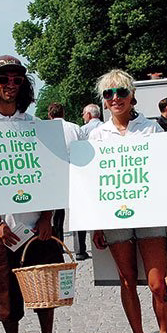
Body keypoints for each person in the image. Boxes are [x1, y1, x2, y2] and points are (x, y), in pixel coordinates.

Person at [0, 54, 66, 333]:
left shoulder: (36, 125)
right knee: (5, 296)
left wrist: (47, 217)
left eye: (16, 79)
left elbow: (51, 173)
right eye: (3, 79)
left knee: (44, 290)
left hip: (37, 228)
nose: (10, 84)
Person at [89, 69, 167, 333]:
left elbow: (165, 175)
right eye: (109, 93)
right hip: (114, 218)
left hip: (151, 214)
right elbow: (92, 182)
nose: (115, 98)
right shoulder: (96, 135)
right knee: (127, 280)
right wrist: (95, 224)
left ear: (132, 96)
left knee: (157, 283)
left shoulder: (151, 129)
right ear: (104, 100)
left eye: (121, 92)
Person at [47, 102, 79, 243]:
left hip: (55, 174)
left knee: (57, 214)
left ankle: (59, 244)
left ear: (49, 115)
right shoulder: (75, 128)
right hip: (75, 171)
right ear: (63, 113)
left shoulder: (46, 130)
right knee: (77, 209)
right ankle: (80, 247)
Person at [75, 104, 103, 260]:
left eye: (83, 113)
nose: (82, 116)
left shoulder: (82, 130)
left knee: (81, 212)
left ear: (89, 115)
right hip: (104, 174)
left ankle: (80, 250)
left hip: (88, 175)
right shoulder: (106, 127)